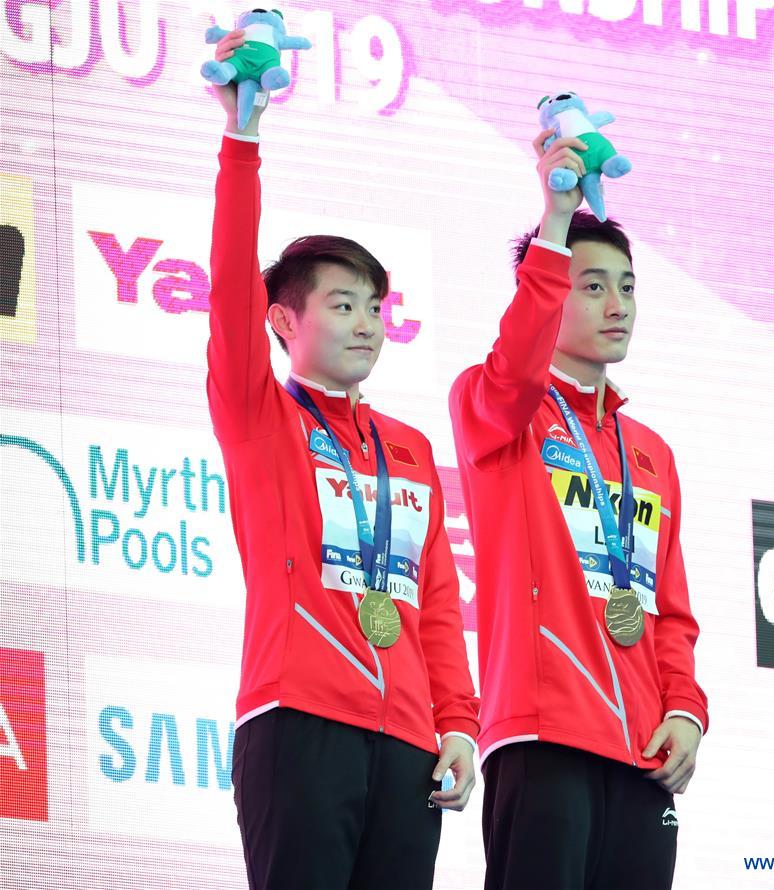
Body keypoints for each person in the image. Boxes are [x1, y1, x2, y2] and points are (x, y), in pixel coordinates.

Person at [205, 29, 479, 890]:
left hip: (407, 745)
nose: (367, 323)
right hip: (298, 725)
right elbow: (228, 291)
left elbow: (434, 600)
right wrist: (242, 142)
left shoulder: (408, 448)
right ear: (284, 322)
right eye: (343, 304)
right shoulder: (262, 418)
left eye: (375, 307)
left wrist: (459, 724)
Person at [449, 127, 708, 890]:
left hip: (642, 757)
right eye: (592, 286)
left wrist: (686, 712)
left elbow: (669, 612)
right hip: (542, 738)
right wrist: (554, 222)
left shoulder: (651, 451)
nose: (618, 304)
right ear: (550, 292)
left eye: (627, 286)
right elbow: (514, 366)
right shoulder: (496, 409)